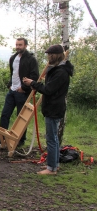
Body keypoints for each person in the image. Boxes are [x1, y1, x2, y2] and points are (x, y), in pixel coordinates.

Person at [23, 44, 73, 175]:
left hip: (54, 108)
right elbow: (49, 87)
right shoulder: (58, 70)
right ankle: (54, 164)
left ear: (55, 56)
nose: (48, 58)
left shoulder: (61, 72)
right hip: (53, 107)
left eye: (50, 55)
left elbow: (48, 90)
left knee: (51, 140)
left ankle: (51, 168)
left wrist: (33, 83)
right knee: (54, 139)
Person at [0, 38, 39, 146]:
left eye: (20, 45)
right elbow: (13, 73)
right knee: (5, 114)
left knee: (21, 117)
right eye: (17, 44)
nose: (18, 47)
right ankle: (1, 137)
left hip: (22, 92)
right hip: (12, 91)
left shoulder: (31, 59)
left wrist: (24, 88)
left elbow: (35, 76)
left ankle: (20, 140)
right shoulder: (13, 58)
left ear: (25, 45)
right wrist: (10, 84)